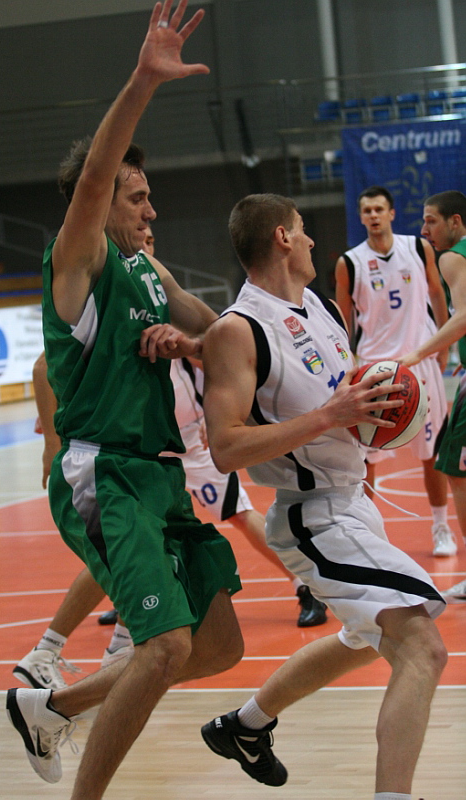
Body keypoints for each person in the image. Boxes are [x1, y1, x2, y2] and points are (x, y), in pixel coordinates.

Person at [6, 5, 245, 798]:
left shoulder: (149, 268)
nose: (150, 210)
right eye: (136, 197)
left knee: (218, 646)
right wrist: (143, 79)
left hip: (159, 475)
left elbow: (215, 331)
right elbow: (95, 175)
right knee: (165, 646)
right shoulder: (78, 260)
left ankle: (50, 708)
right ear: (100, 202)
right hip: (103, 471)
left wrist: (191, 342)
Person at [199, 193, 447, 799]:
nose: (313, 240)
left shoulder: (322, 307)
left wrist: (368, 423)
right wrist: (328, 417)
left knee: (364, 637)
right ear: (282, 237)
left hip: (355, 501)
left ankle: (244, 726)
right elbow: (225, 448)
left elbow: (342, 399)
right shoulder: (238, 329)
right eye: (303, 229)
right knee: (422, 645)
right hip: (313, 518)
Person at [14, 231, 327, 698]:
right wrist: (52, 442)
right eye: (139, 211)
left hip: (177, 445)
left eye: (152, 233)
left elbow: (216, 340)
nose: (148, 227)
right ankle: (56, 650)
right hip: (139, 449)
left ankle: (82, 649)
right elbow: (44, 367)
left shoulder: (158, 289)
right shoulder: (102, 287)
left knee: (173, 541)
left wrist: (197, 349)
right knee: (196, 529)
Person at [335, 185, 455, 557]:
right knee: (365, 459)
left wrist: (443, 344)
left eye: (378, 209)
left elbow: (437, 293)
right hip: (374, 369)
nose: (373, 215)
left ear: (391, 213)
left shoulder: (418, 248)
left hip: (419, 361)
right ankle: (367, 533)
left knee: (431, 452)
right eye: (366, 210)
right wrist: (346, 363)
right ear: (361, 217)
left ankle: (441, 527)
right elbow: (342, 319)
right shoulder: (349, 262)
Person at [399, 190, 466, 602]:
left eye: (431, 221)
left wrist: (418, 353)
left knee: (454, 467)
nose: (424, 230)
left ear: (455, 221)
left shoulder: (453, 257)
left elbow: (464, 317)